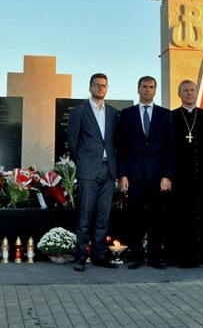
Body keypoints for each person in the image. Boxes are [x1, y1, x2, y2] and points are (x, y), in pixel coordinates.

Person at [117, 76, 175, 270]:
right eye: (144, 87)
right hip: (134, 176)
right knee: (135, 219)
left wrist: (167, 176)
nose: (147, 90)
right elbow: (122, 146)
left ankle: (155, 257)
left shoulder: (165, 115)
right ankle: (136, 257)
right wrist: (122, 175)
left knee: (157, 218)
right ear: (138, 89)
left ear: (155, 90)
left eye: (151, 87)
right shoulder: (127, 114)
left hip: (157, 177)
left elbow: (170, 148)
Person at [167, 80, 203, 267]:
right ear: (179, 94)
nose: (189, 93)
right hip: (181, 175)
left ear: (196, 92)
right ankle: (183, 256)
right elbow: (169, 148)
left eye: (192, 90)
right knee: (182, 215)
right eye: (185, 91)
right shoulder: (172, 116)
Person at [68, 73, 120, 272]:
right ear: (90, 88)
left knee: (102, 216)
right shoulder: (79, 112)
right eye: (97, 85)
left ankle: (99, 255)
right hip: (88, 170)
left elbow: (116, 141)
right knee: (84, 215)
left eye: (104, 85)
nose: (100, 88)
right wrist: (82, 162)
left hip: (109, 170)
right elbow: (73, 142)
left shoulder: (114, 113)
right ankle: (81, 256)